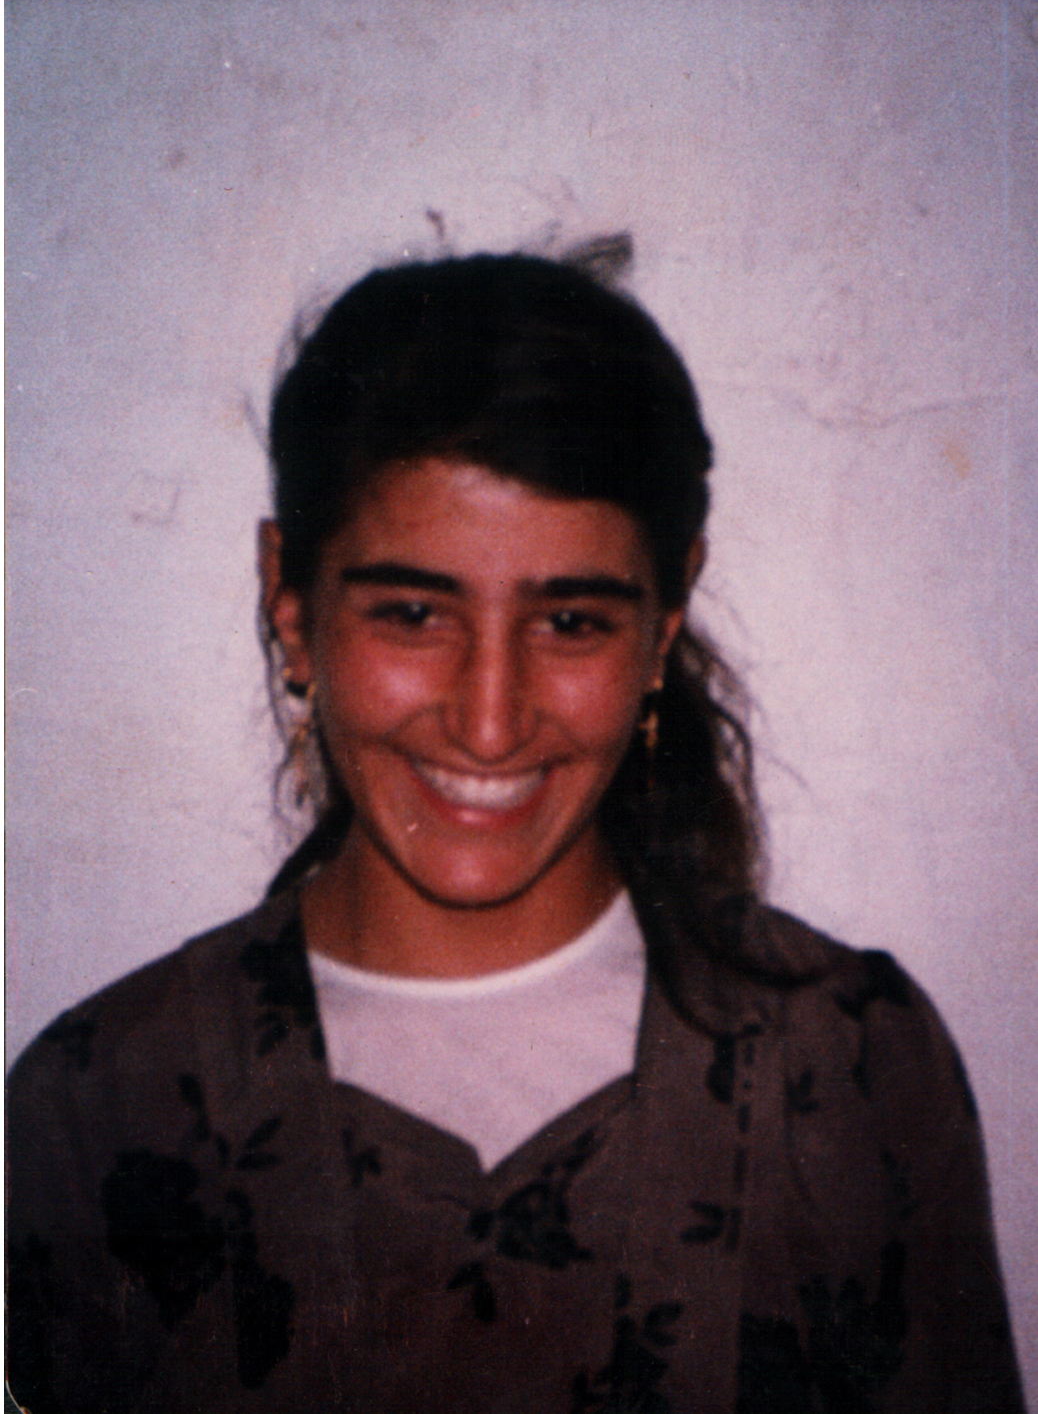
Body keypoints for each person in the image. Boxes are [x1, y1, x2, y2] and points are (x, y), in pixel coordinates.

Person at [6, 247, 1024, 1413]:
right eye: (413, 612)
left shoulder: (850, 1070)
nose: (490, 723)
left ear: (664, 622)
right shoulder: (101, 1106)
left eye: (572, 622)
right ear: (288, 599)